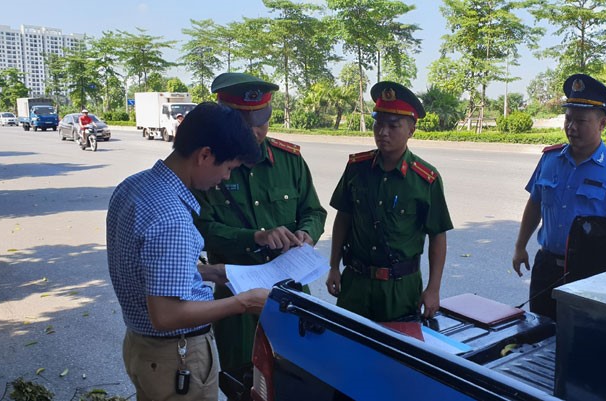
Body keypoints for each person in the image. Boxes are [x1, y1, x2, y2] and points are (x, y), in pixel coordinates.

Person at [107, 102, 269, 401]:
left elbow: (145, 266)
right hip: (175, 357)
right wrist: (244, 302)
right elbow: (167, 315)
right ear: (205, 155)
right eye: (229, 168)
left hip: (142, 349)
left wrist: (209, 272)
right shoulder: (172, 217)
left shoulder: (134, 186)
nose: (227, 178)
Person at [192, 72, 327, 377]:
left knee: (298, 374)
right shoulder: (208, 165)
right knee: (240, 377)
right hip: (234, 295)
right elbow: (202, 230)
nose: (255, 132)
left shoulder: (290, 160)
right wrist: (256, 237)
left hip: (290, 291)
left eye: (262, 122)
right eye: (244, 126)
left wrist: (307, 233)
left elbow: (314, 211)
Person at [512, 74, 606, 320]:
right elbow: (535, 204)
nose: (571, 128)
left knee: (581, 342)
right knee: (539, 333)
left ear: (602, 124)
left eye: (580, 121)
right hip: (547, 267)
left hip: (591, 272)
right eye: (568, 119)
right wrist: (520, 247)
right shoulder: (549, 160)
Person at [325, 81, 453, 322]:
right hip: (356, 284)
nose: (383, 132)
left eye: (393, 126)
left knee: (396, 353)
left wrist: (433, 289)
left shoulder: (426, 179)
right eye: (378, 124)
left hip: (400, 289)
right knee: (347, 347)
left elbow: (438, 235)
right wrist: (334, 266)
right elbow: (343, 217)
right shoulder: (356, 168)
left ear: (411, 130)